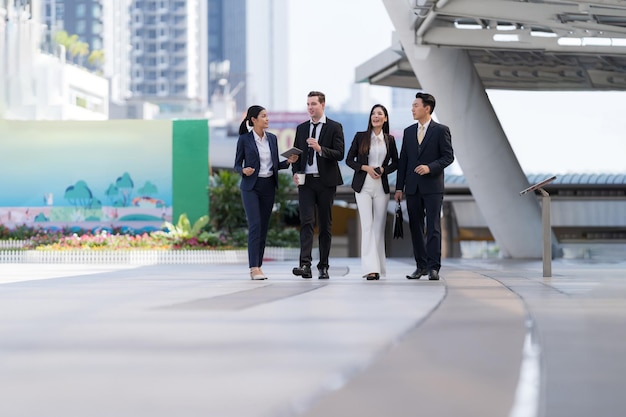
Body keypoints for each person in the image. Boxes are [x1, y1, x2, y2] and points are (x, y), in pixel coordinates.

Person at [234, 105, 299, 280]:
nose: (267, 119)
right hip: (251, 187)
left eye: (267, 116)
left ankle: (259, 266)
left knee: (263, 228)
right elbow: (236, 165)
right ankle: (253, 268)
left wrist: (289, 161)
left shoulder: (272, 138)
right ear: (254, 120)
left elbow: (275, 165)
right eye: (263, 116)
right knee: (255, 225)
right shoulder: (244, 139)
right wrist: (243, 170)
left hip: (268, 186)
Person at [395, 92, 454, 281]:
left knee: (433, 227)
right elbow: (403, 161)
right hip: (412, 187)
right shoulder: (408, 131)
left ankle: (433, 267)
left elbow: (448, 156)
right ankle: (420, 266)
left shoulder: (440, 130)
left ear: (427, 108)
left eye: (415, 105)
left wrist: (430, 167)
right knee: (415, 227)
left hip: (433, 187)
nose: (412, 109)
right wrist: (398, 188)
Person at [291, 91, 345, 279]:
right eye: (308, 104)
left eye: (313, 103)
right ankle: (305, 265)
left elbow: (340, 153)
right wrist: (295, 172)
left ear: (323, 105)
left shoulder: (335, 127)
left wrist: (320, 149)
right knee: (306, 222)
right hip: (306, 182)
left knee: (325, 224)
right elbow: (296, 154)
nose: (310, 107)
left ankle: (323, 266)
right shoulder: (301, 128)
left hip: (326, 181)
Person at [346, 104, 398, 280]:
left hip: (381, 188)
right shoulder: (361, 137)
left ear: (385, 118)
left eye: (380, 114)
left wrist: (384, 170)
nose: (376, 116)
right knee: (367, 226)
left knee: (378, 227)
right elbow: (349, 160)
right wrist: (365, 168)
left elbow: (396, 163)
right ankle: (370, 269)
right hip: (363, 186)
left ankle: (379, 266)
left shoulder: (389, 139)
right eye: (373, 113)